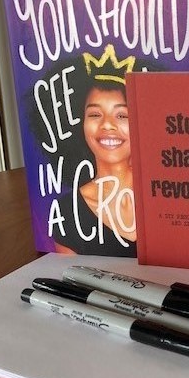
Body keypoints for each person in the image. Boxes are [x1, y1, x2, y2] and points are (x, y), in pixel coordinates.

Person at [48, 45, 137, 256]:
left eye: (122, 115)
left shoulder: (170, 196)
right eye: (95, 115)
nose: (107, 125)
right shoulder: (66, 213)